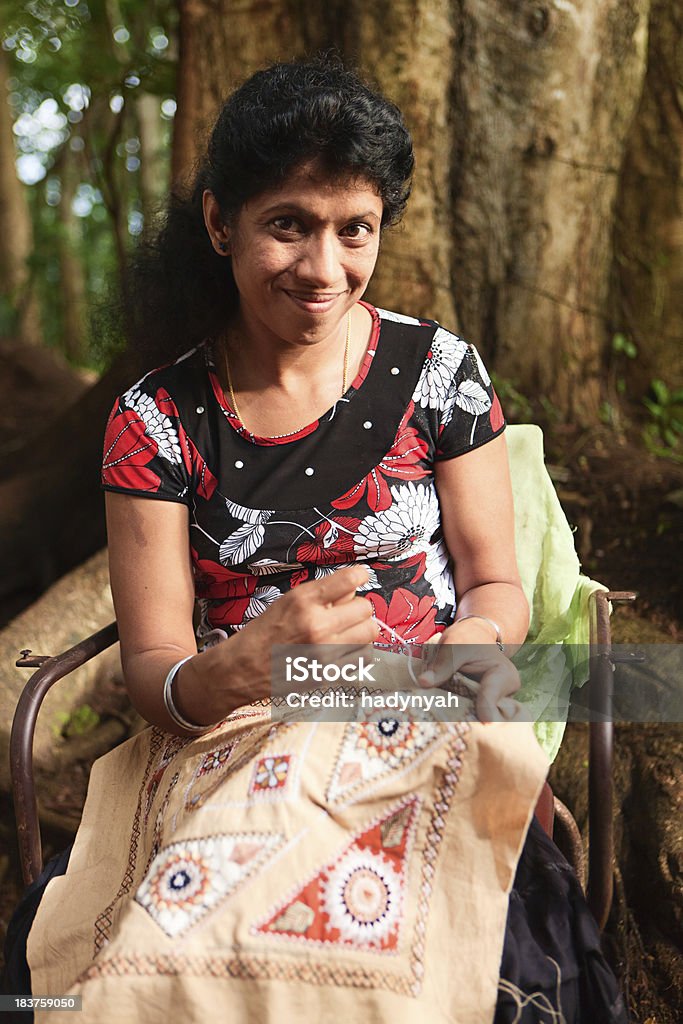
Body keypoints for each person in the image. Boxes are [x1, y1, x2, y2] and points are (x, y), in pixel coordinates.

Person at [22, 55, 627, 1024]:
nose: (323, 268)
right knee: (177, 953)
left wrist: (467, 658)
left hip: (420, 715)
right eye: (287, 225)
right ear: (220, 223)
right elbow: (155, 670)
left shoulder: (440, 377)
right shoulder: (156, 419)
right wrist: (242, 667)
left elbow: (496, 588)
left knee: (498, 945)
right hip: (234, 741)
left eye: (355, 230)